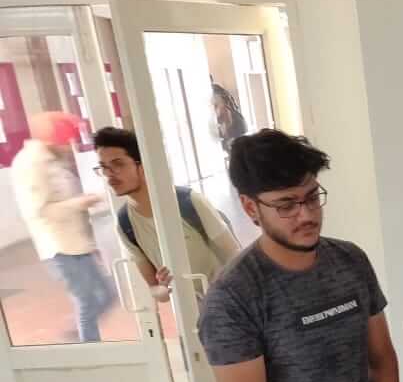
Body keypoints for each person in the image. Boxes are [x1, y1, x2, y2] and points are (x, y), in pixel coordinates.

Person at [199, 129, 403, 382]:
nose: (306, 214)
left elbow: (382, 360)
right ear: (250, 207)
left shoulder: (350, 261)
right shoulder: (234, 296)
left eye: (312, 197)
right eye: (286, 205)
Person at [94, 126, 240, 300]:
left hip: (227, 300)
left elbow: (235, 255)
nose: (109, 175)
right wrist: (163, 289)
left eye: (118, 164)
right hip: (188, 310)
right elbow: (156, 291)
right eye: (104, 167)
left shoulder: (189, 201)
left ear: (142, 165)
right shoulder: (125, 223)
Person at [11, 111, 112, 342]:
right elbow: (39, 210)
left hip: (77, 243)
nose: (70, 147)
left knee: (106, 295)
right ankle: (90, 347)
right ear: (52, 139)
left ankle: (77, 335)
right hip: (59, 247)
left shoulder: (53, 160)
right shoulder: (31, 164)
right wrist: (81, 203)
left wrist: (90, 242)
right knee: (87, 301)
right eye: (67, 141)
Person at [212, 83, 248, 154]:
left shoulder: (238, 121)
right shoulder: (214, 123)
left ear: (224, 102)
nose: (213, 110)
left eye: (215, 106)